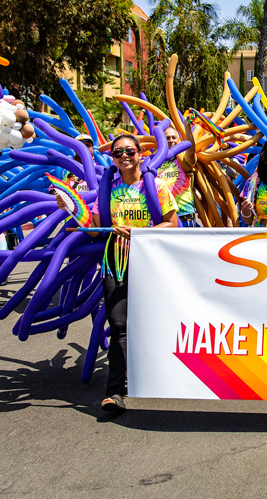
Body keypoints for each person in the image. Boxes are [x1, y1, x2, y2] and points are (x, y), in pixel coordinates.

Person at [91, 134, 178, 413]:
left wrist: (139, 232)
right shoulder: (107, 189)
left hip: (150, 264)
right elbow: (96, 227)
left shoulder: (157, 186)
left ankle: (160, 375)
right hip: (115, 263)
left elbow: (172, 224)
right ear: (113, 159)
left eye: (130, 151)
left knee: (156, 322)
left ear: (140, 154)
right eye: (118, 153)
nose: (124, 156)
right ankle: (114, 392)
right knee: (118, 325)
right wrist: (73, 209)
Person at [159, 119, 198, 227]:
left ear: (179, 140)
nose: (171, 140)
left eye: (173, 137)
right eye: (167, 138)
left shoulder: (182, 159)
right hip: (164, 216)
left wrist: (187, 127)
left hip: (184, 215)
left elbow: (191, 151)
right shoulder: (156, 161)